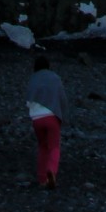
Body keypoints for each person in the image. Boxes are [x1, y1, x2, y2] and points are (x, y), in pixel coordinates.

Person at [26, 54, 66, 189]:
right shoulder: (55, 78)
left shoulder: (33, 79)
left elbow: (28, 99)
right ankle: (51, 170)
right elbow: (62, 99)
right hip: (52, 116)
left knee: (42, 147)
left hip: (37, 118)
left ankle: (42, 178)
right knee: (54, 147)